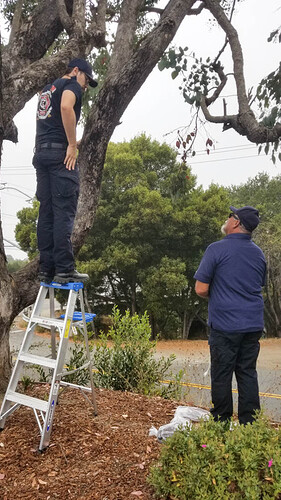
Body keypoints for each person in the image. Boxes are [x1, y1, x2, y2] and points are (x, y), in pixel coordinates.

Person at [194, 206, 266, 425]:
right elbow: (255, 285)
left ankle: (222, 423)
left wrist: (220, 296)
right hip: (252, 324)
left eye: (229, 216)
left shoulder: (216, 249)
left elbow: (201, 288)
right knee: (247, 373)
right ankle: (250, 427)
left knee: (222, 374)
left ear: (235, 222)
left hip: (226, 325)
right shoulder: (258, 254)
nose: (225, 219)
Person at [33, 58, 97, 284]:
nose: (85, 85)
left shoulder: (47, 89)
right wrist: (70, 145)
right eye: (86, 79)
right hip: (61, 159)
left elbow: (51, 124)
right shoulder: (71, 86)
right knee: (63, 213)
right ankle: (64, 269)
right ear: (76, 71)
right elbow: (66, 107)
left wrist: (70, 141)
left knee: (47, 212)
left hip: (42, 154)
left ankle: (46, 268)